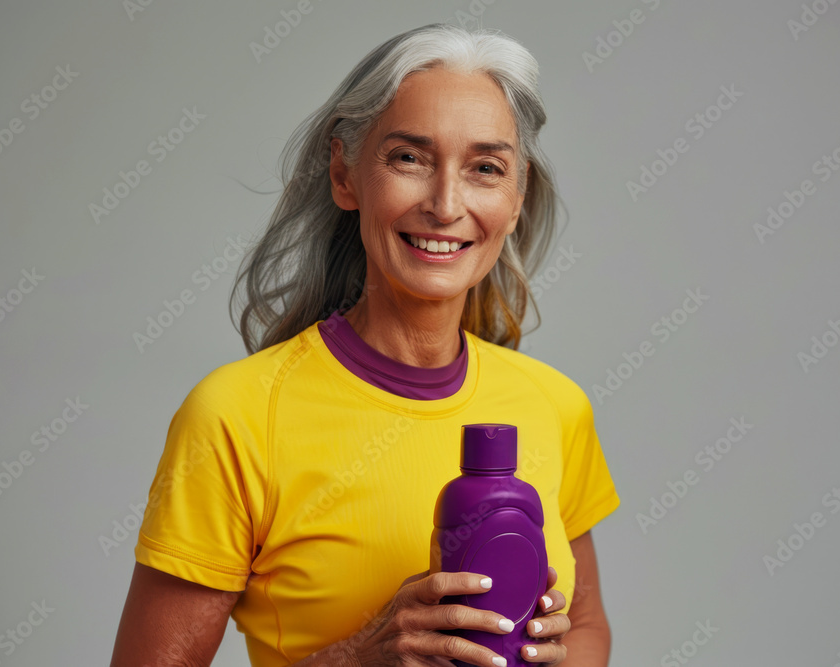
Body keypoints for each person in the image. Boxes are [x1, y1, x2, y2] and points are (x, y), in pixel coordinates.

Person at [110, 22, 620, 667]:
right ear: (345, 175)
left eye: (485, 168)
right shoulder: (236, 417)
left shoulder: (555, 404)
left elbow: (590, 629)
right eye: (409, 158)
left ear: (515, 199)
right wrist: (356, 659)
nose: (445, 204)